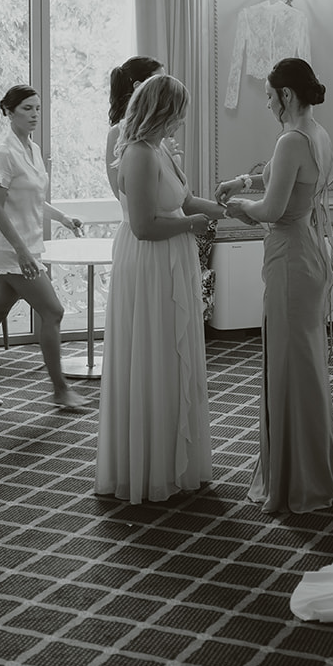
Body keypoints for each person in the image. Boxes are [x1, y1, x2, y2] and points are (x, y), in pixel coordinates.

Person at [217, 58, 333, 514]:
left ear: (286, 95)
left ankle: (298, 480)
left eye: (271, 95)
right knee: (303, 365)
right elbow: (287, 183)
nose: (268, 102)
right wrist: (246, 180)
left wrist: (238, 208)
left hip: (290, 258)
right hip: (307, 252)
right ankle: (315, 469)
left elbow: (272, 209)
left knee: (290, 367)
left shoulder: (292, 139)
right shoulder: (317, 133)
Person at [95, 74, 225, 502]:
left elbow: (184, 201)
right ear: (164, 111)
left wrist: (230, 211)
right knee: (154, 351)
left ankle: (174, 457)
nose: (184, 120)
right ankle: (148, 465)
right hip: (149, 264)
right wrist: (193, 226)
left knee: (175, 352)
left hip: (173, 256)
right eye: (181, 111)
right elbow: (144, 225)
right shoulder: (137, 153)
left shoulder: (160, 150)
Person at [0, 84, 89, 413]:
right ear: (9, 111)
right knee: (53, 312)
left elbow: (35, 200)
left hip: (26, 246)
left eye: (38, 108)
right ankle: (60, 390)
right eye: (27, 109)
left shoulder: (32, 148)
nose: (34, 115)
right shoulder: (3, 153)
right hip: (13, 249)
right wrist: (23, 253)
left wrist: (64, 218)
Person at [105, 56, 164, 200]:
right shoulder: (117, 133)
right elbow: (120, 193)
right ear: (138, 86)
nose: (166, 87)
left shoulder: (162, 128)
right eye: (159, 82)